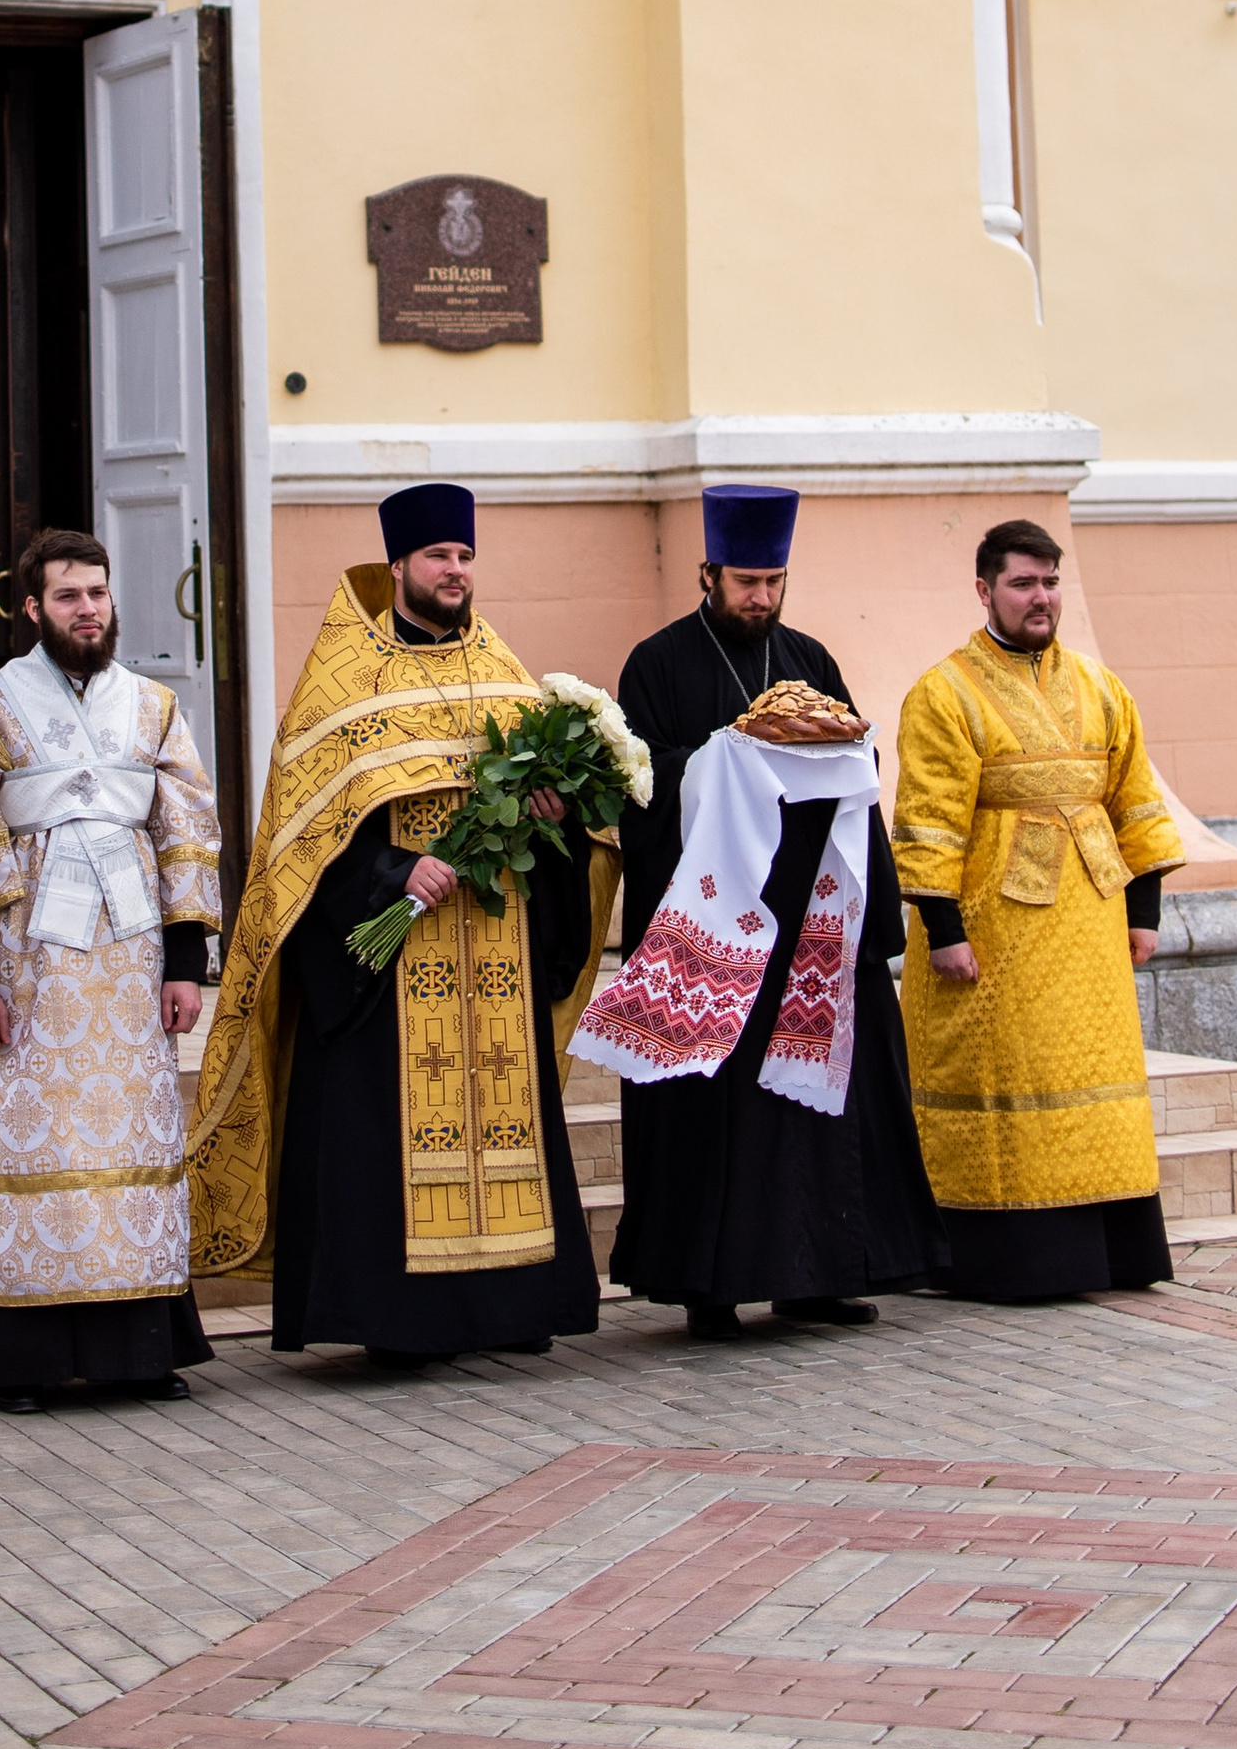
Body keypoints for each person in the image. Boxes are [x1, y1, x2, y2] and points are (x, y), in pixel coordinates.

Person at [186, 482, 608, 1368]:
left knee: (505, 1109)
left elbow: (563, 823)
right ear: (398, 568)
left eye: (463, 558)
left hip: (494, 944)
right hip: (387, 956)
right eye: (437, 559)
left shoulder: (503, 672)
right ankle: (398, 1321)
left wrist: (554, 812)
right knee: (385, 1132)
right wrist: (389, 871)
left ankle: (510, 1302)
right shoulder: (344, 681)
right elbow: (299, 841)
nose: (454, 573)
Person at [595, 485, 944, 1339]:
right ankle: (708, 1287)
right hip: (713, 928)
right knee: (712, 1116)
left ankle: (822, 1274)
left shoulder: (810, 659)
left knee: (816, 1112)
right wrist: (730, 762)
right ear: (708, 572)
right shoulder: (657, 662)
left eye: (774, 581)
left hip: (808, 934)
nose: (762, 597)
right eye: (747, 580)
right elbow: (638, 786)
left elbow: (857, 771)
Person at [0, 527, 222, 1415]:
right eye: (69, 596)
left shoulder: (155, 708)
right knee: (35, 1139)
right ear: (32, 606)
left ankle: (139, 1354)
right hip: (27, 966)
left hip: (129, 973)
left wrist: (186, 964)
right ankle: (24, 1361)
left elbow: (187, 835)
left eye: (99, 593)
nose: (88, 610)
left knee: (130, 1144)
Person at [893, 518, 1181, 1302]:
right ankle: (1007, 1256)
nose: (1041, 597)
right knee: (1006, 1079)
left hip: (1091, 926)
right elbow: (927, 820)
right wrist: (943, 931)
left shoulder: (1099, 685)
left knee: (1098, 1082)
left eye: (1051, 581)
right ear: (985, 590)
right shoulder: (943, 691)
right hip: (996, 932)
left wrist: (1144, 911)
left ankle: (1117, 1252)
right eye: (1024, 582)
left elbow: (1139, 803)